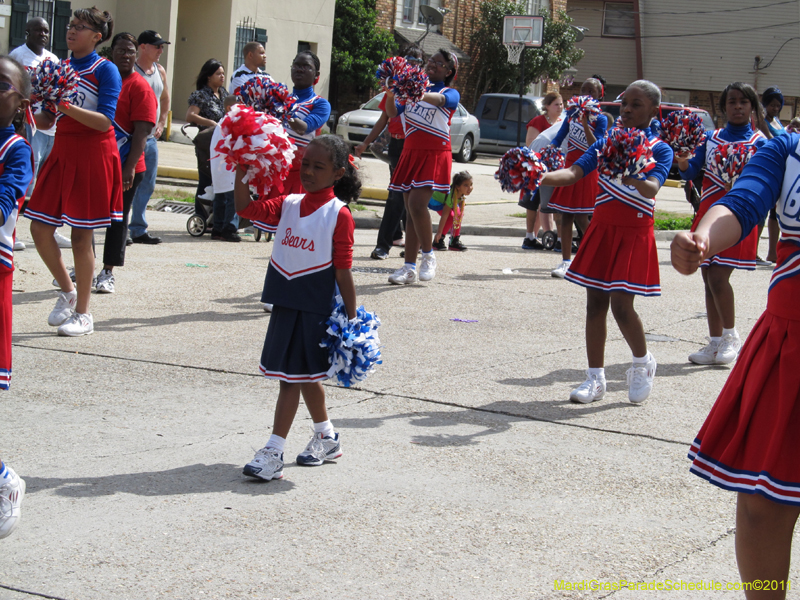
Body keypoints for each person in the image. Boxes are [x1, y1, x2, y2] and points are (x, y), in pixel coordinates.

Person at [671, 131, 800, 600]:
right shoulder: (788, 149)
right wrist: (703, 237)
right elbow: (742, 203)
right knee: (764, 504)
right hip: (790, 347)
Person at [234, 135, 360, 481]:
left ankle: (273, 452)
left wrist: (353, 319)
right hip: (286, 303)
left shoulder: (339, 214)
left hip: (315, 309)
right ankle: (327, 437)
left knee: (291, 379)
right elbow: (245, 208)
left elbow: (343, 270)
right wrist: (242, 169)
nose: (308, 171)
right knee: (303, 376)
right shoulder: (289, 204)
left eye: (319, 166)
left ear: (337, 173)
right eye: (305, 164)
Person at [539, 80, 673, 404]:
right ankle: (595, 379)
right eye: (625, 103)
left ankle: (642, 363)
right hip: (602, 229)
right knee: (595, 304)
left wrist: (632, 175)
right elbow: (573, 172)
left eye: (636, 105)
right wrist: (537, 174)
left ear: (654, 110)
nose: (627, 109)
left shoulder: (660, 149)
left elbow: (652, 188)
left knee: (622, 308)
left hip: (633, 232)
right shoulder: (605, 142)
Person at [24, 7, 122, 337]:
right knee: (39, 227)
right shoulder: (59, 68)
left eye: (80, 27)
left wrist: (63, 104)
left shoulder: (105, 69)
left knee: (81, 236)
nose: (71, 30)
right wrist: (25, 109)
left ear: (97, 36)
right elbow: (48, 120)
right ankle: (67, 291)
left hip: (93, 153)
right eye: (71, 25)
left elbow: (105, 121)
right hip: (62, 150)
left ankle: (83, 313)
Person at [676, 82, 766, 365]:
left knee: (718, 277)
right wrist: (682, 160)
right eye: (731, 102)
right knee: (707, 278)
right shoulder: (710, 137)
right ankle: (714, 343)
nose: (737, 107)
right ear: (724, 107)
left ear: (752, 107)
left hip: (736, 216)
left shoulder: (761, 142)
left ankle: (731, 336)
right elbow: (691, 170)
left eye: (743, 102)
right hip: (707, 212)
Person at [385, 49, 460, 285]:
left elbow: (440, 101)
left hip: (434, 153)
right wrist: (391, 93)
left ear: (448, 72)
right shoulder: (409, 90)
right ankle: (409, 268)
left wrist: (415, 91)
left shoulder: (449, 92)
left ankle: (428, 255)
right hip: (411, 152)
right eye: (431, 61)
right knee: (411, 210)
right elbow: (392, 112)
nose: (432, 64)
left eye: (439, 63)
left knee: (417, 205)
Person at [0, 55, 35, 539]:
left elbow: (4, 201)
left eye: (1, 85)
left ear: (21, 103)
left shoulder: (16, 151)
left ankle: (6, 480)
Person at [95, 33, 157, 294]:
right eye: (121, 50)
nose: (126, 55)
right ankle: (82, 265)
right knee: (88, 216)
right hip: (99, 160)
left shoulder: (139, 87)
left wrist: (129, 167)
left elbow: (142, 132)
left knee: (117, 218)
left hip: (126, 164)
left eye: (130, 51)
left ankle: (108, 272)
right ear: (111, 52)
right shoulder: (103, 79)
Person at [355, 47, 424, 260]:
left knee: (406, 196)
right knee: (398, 195)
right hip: (396, 147)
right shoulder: (393, 90)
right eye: (410, 60)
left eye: (418, 61)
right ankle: (390, 244)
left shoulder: (421, 90)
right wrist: (365, 143)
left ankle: (397, 244)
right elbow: (383, 119)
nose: (414, 65)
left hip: (414, 146)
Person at [9, 17, 71, 251]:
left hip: (52, 127)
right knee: (27, 182)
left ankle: (51, 231)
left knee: (49, 183)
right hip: (29, 125)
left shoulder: (53, 59)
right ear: (27, 32)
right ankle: (9, 232)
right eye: (38, 30)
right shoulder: (18, 56)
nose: (43, 34)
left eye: (46, 31)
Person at [547, 77, 609, 278]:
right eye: (583, 90)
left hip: (587, 171)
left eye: (591, 91)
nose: (586, 94)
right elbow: (560, 136)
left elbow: (597, 145)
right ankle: (566, 262)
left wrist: (585, 123)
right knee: (566, 215)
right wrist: (550, 150)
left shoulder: (600, 119)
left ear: (599, 96)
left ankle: (596, 257)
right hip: (569, 168)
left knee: (583, 217)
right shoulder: (571, 114)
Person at [128, 30, 170, 246]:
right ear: (142, 47)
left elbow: (165, 98)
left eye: (162, 46)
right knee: (126, 183)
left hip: (151, 138)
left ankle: (138, 228)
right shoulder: (130, 70)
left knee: (147, 184)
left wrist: (161, 122)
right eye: (156, 46)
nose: (160, 50)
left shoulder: (160, 71)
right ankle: (118, 227)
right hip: (131, 136)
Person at [521, 92, 563, 250]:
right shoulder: (538, 121)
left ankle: (552, 236)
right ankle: (529, 237)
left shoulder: (561, 122)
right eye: (556, 104)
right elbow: (530, 144)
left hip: (554, 168)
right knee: (532, 202)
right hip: (536, 165)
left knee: (550, 203)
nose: (560, 107)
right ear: (547, 106)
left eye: (561, 104)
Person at [209, 95, 241, 241]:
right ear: (229, 108)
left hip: (220, 167)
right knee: (232, 198)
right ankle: (229, 228)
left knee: (221, 198)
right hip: (227, 167)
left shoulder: (221, 123)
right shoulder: (229, 123)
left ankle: (217, 228)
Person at [431, 170, 472, 251]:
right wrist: (439, 233)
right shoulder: (451, 195)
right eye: (466, 185)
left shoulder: (461, 192)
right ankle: (438, 241)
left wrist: (460, 213)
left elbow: (460, 210)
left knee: (459, 214)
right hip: (435, 201)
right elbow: (445, 216)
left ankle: (454, 241)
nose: (470, 188)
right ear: (458, 187)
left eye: (471, 184)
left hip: (447, 202)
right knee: (451, 216)